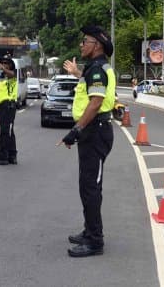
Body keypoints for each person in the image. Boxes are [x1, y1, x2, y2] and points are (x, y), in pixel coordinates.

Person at [60, 26, 116, 257]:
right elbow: (90, 85)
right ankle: (89, 231)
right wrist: (76, 72)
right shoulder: (95, 68)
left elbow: (95, 102)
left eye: (85, 41)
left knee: (91, 188)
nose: (81, 45)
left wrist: (76, 129)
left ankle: (95, 241)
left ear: (97, 46)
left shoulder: (96, 70)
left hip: (95, 132)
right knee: (88, 187)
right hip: (93, 132)